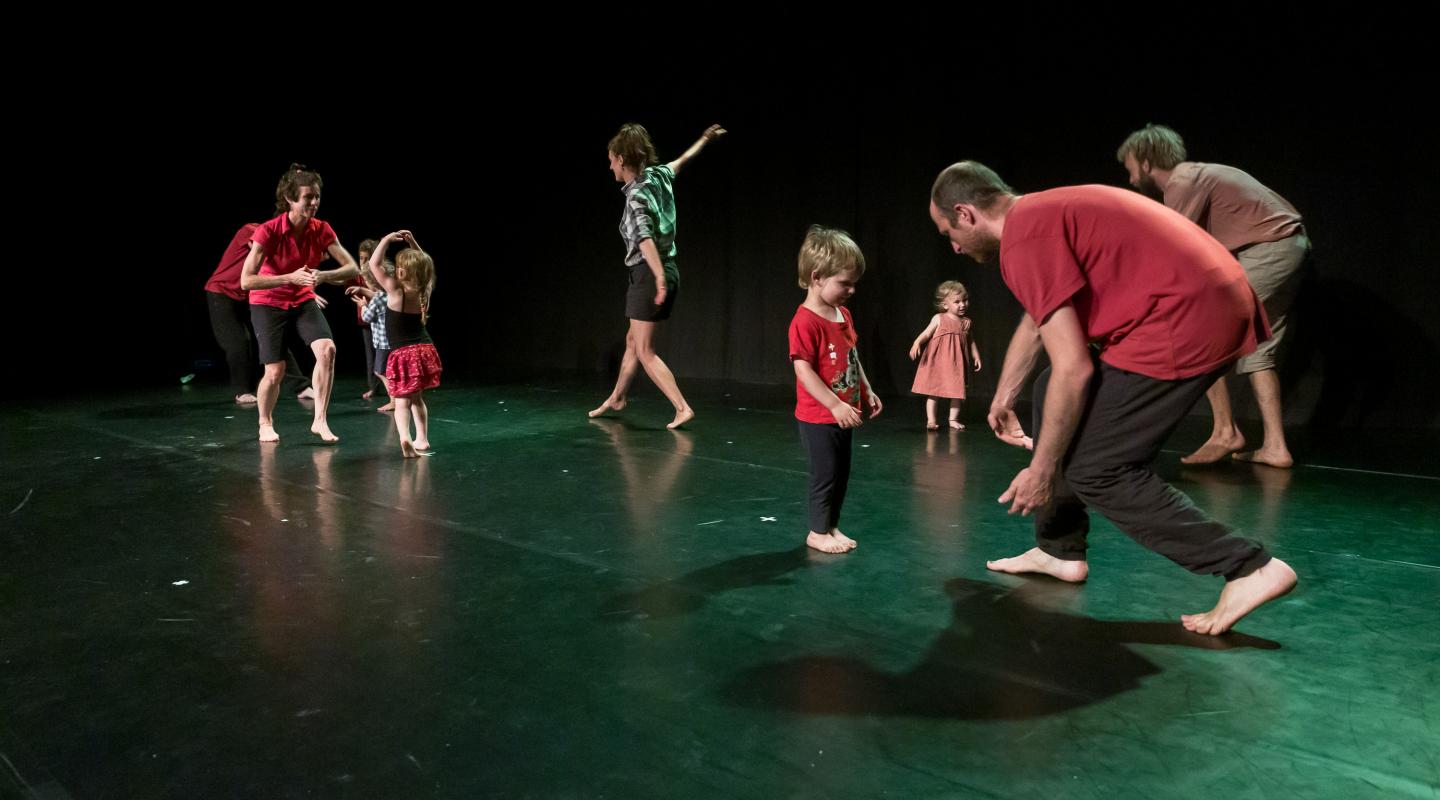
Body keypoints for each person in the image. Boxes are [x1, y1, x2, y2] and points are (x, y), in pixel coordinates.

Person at [928, 160, 1296, 635]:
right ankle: (1059, 550)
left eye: (948, 233)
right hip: (1210, 298)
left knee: (1098, 468)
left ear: (965, 213)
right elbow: (1037, 320)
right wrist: (1004, 394)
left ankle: (1249, 567)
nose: (954, 247)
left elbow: (1075, 368)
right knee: (1045, 392)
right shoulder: (1039, 217)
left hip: (1188, 315)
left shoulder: (1025, 240)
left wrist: (1041, 471)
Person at [1118, 124, 1310, 468]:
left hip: (1270, 250)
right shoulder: (1199, 175)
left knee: (1205, 330)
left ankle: (1225, 432)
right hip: (1289, 248)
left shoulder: (1182, 182)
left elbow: (1175, 252)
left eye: (1130, 167)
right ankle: (1275, 447)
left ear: (1146, 162)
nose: (1131, 178)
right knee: (1259, 349)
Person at [587, 122, 726, 429]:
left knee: (645, 350)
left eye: (611, 159)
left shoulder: (636, 196)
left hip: (650, 275)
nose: (609, 165)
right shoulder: (658, 176)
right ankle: (618, 397)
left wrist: (659, 278)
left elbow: (644, 239)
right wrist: (703, 139)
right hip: (665, 271)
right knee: (633, 341)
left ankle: (681, 407)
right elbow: (683, 161)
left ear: (622, 160)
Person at [240, 164, 360, 443]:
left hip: (301, 296)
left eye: (317, 196)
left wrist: (323, 275)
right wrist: (288, 277)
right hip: (268, 301)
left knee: (327, 349)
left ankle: (320, 420)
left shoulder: (321, 229)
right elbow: (247, 281)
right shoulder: (268, 232)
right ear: (291, 200)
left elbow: (351, 267)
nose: (314, 202)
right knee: (275, 371)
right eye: (308, 197)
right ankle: (264, 421)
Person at [788, 225, 882, 555]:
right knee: (825, 474)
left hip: (845, 413)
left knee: (841, 473)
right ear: (817, 277)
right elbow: (804, 370)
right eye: (845, 283)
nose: (852, 290)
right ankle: (816, 531)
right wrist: (834, 405)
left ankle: (830, 526)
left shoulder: (843, 313)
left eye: (854, 283)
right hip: (818, 416)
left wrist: (866, 389)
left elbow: (852, 355)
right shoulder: (805, 321)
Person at [909, 280, 982, 430]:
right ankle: (931, 420)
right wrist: (917, 343)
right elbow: (927, 333)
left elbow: (971, 341)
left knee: (957, 392)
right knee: (933, 391)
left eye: (965, 300)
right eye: (957, 302)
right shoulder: (939, 318)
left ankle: (953, 419)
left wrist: (976, 356)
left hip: (956, 364)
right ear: (945, 304)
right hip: (939, 362)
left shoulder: (966, 322)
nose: (962, 304)